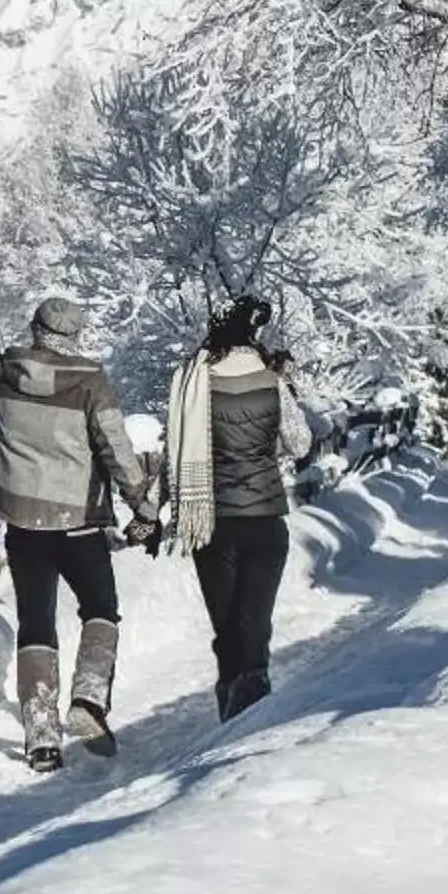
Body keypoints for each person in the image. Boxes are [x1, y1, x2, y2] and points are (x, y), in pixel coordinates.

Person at [0, 298, 158, 771]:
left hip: (23, 522)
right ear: (74, 336)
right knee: (100, 608)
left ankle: (41, 736)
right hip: (78, 521)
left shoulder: (6, 370)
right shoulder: (90, 382)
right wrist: (143, 504)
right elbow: (116, 447)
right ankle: (89, 699)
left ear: (35, 329)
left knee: (36, 621)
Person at [162, 294, 313, 722]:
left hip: (211, 521)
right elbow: (300, 442)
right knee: (254, 622)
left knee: (226, 628)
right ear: (255, 333)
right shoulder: (272, 381)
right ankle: (251, 706)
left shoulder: (193, 382)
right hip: (265, 517)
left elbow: (173, 449)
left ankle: (232, 709)